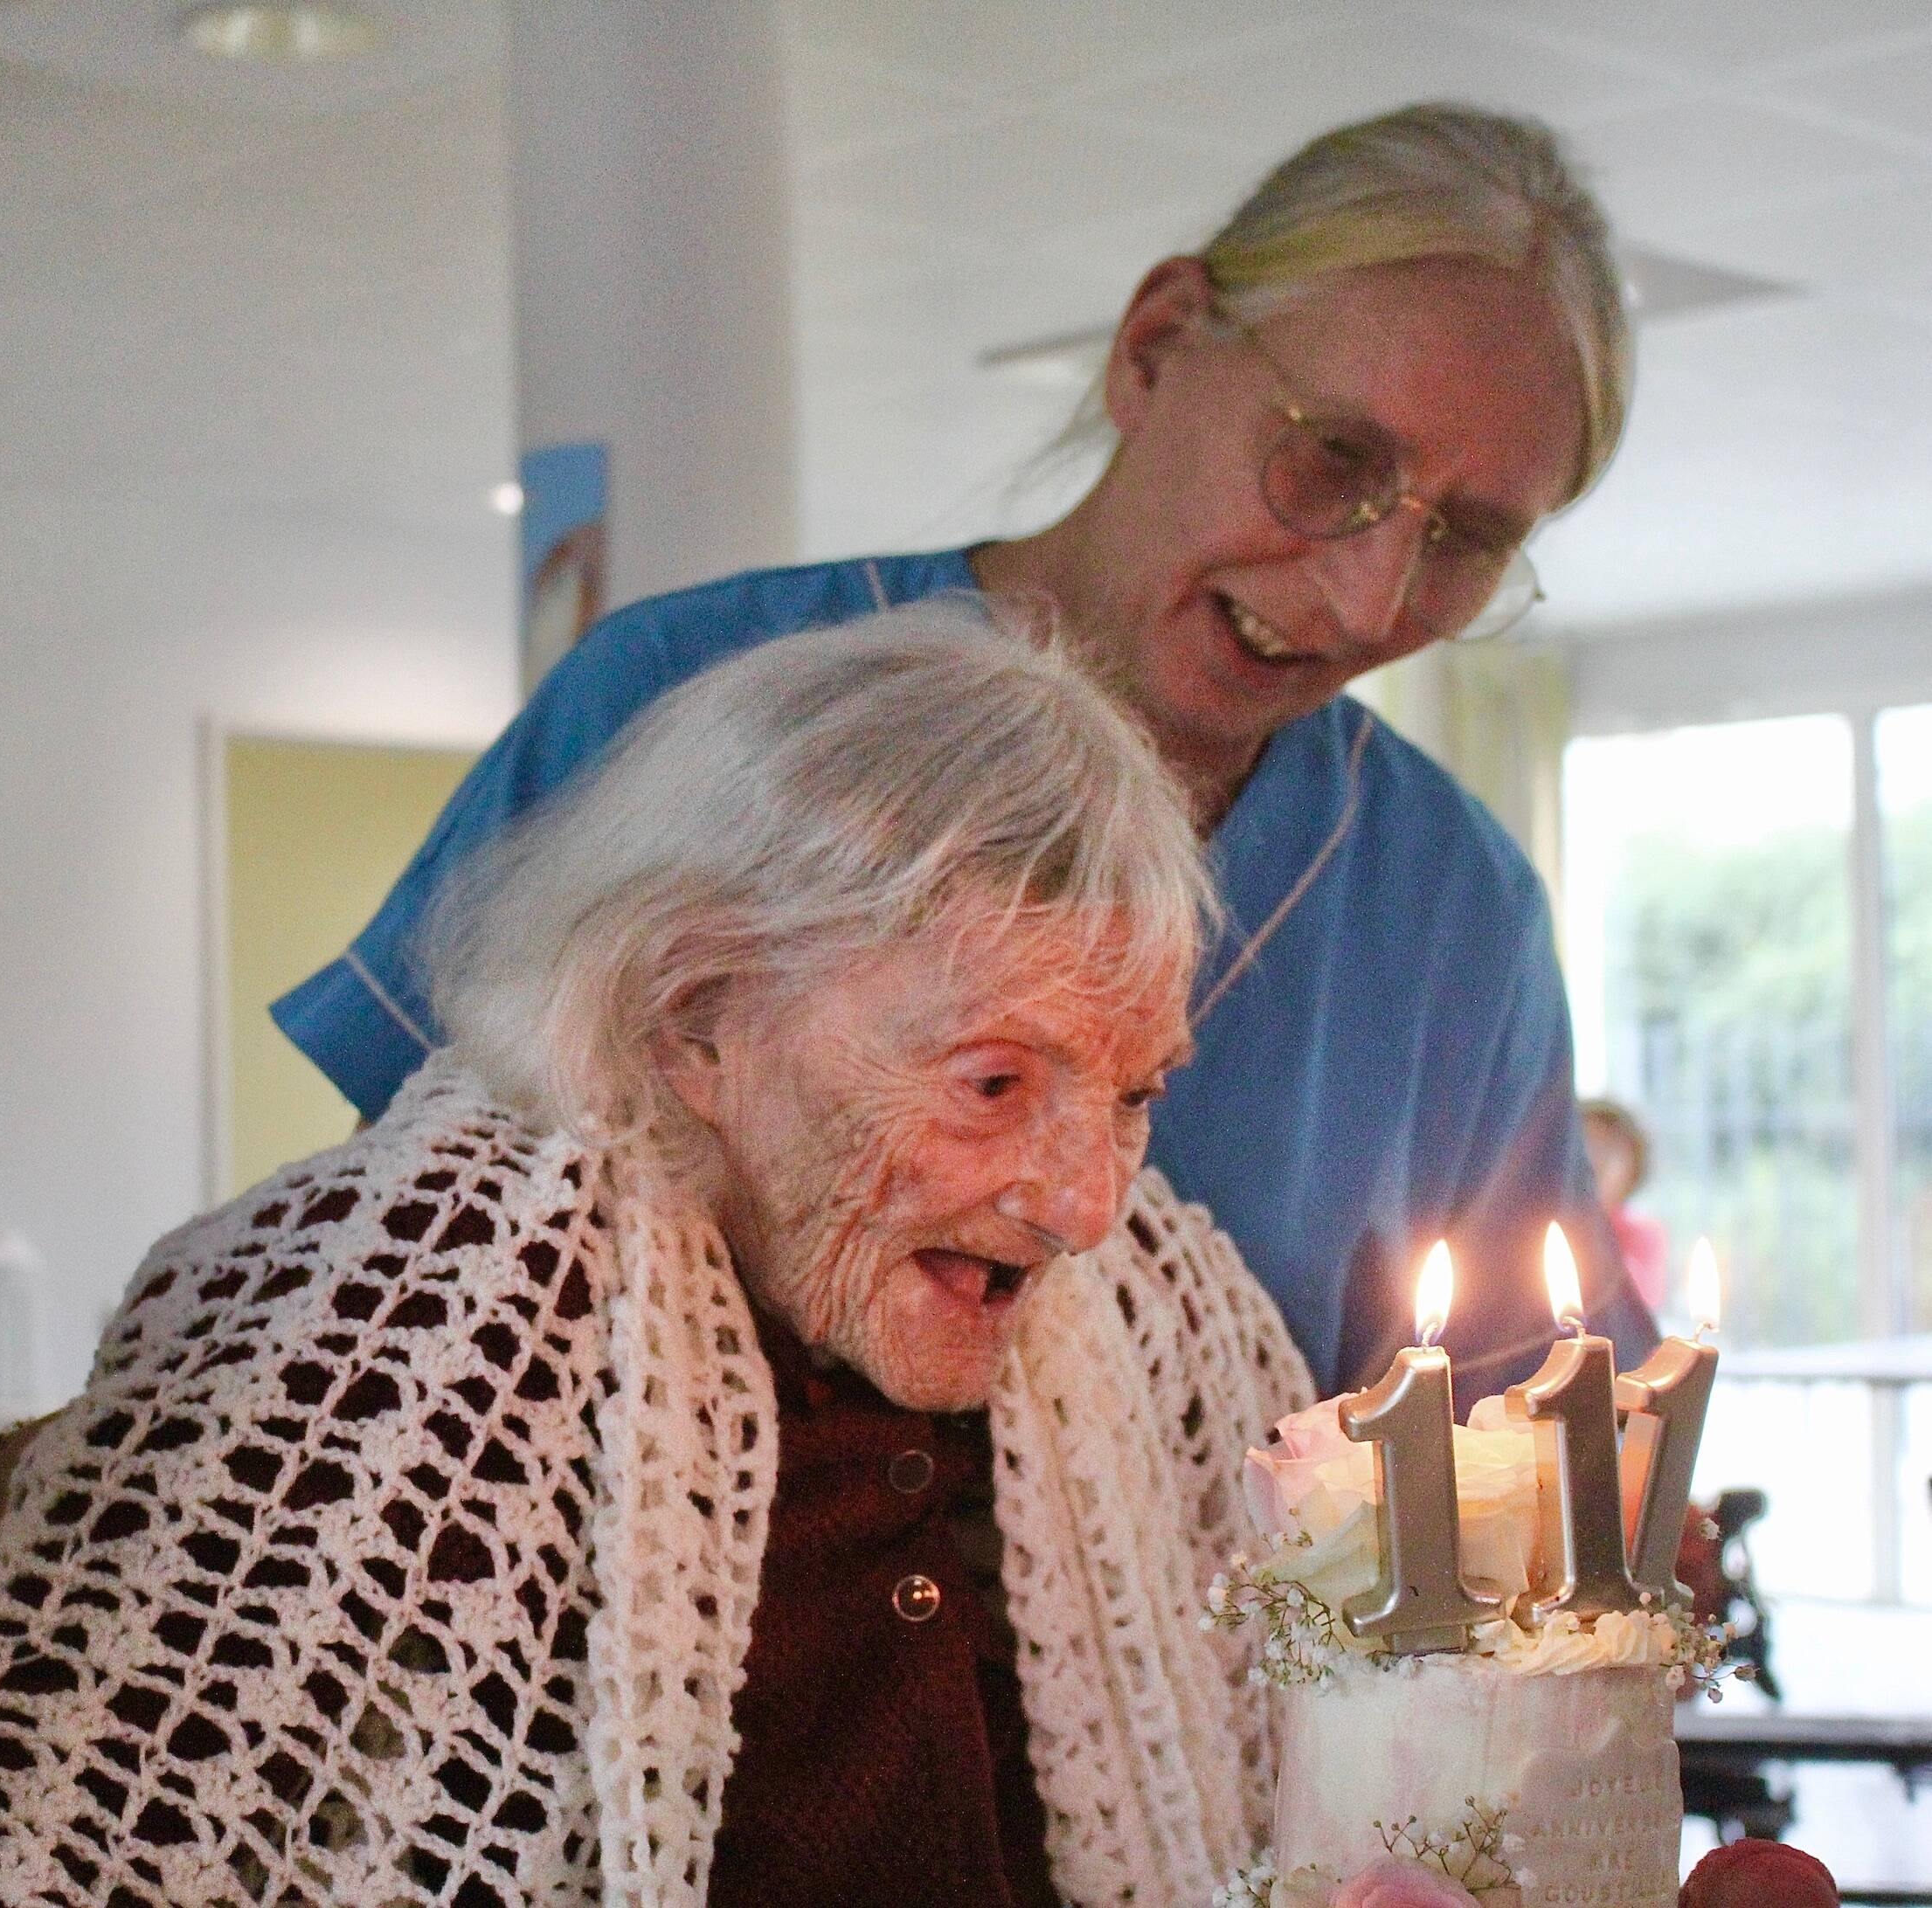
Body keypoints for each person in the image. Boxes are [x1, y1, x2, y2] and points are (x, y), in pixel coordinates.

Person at [0, 610, 1312, 1906]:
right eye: (992, 1084)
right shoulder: (405, 1325)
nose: (1083, 1204)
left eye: (1130, 1093)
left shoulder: (1150, 1320)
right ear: (694, 1018)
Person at [272, 103, 1657, 1410]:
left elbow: (1512, 1430)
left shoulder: (1442, 905)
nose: (1366, 599)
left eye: (1465, 539)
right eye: (1333, 457)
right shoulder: (675, 697)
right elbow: (406, 1267)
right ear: (1155, 344)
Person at [1581, 1096, 1671, 1311]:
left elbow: (1640, 1299)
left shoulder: (1642, 1232)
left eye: (1608, 1149)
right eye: (1586, 1143)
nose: (1593, 1158)